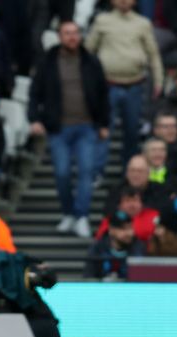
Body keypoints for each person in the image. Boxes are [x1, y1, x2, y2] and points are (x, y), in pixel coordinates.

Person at [29, 20, 109, 237]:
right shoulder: (48, 61)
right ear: (60, 36)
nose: (72, 37)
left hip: (87, 127)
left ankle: (81, 215)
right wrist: (34, 119)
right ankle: (68, 213)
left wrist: (104, 124)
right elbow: (35, 92)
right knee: (62, 173)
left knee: (86, 172)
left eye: (75, 33)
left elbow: (103, 93)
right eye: (67, 33)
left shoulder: (91, 61)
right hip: (58, 128)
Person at [85, 0, 163, 170]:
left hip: (135, 85)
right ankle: (96, 172)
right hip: (107, 85)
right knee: (103, 130)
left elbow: (153, 55)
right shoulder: (102, 21)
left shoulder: (143, 23)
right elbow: (88, 52)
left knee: (132, 133)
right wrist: (87, 83)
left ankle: (130, 172)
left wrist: (158, 80)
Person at [84, 210, 145, 280]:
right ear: (111, 230)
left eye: (130, 227)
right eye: (123, 229)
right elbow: (88, 277)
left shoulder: (139, 247)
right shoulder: (98, 248)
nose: (129, 233)